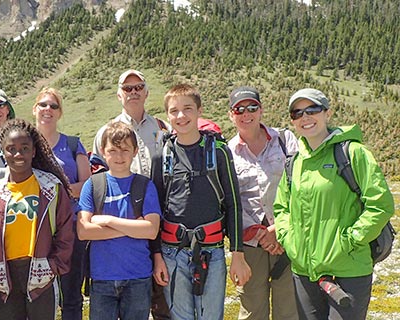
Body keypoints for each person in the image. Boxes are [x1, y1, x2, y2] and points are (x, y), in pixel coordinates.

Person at [273, 88, 394, 320]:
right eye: (297, 113)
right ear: (292, 121)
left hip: (348, 269)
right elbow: (282, 208)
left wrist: (350, 240)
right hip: (305, 271)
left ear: (327, 113)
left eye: (312, 110)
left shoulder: (352, 153)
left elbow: (381, 204)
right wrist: (291, 242)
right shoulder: (295, 162)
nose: (305, 117)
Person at [150, 83, 251, 320]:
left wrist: (237, 254)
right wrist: (156, 256)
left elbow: (233, 204)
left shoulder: (219, 152)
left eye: (187, 109)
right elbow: (154, 211)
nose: (181, 116)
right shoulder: (161, 156)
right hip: (172, 252)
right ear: (167, 116)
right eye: (174, 111)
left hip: (212, 252)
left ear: (199, 111)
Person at [0, 118, 74, 320]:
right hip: (6, 275)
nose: (18, 154)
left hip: (42, 273)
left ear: (34, 151)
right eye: (11, 149)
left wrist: (53, 265)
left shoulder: (50, 187)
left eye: (24, 148)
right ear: (3, 151)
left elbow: (65, 231)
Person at [92, 69, 170, 319]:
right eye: (128, 88)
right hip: (123, 224)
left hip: (160, 218)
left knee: (162, 300)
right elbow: (98, 182)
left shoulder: (163, 128)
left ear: (147, 92)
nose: (133, 92)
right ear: (119, 94)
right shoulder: (106, 132)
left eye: (138, 87)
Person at [226, 86, 298, 320]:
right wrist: (261, 235)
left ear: (261, 110)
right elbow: (229, 199)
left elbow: (300, 185)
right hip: (249, 244)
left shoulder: (285, 140)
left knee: (289, 309)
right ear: (231, 114)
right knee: (252, 310)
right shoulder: (227, 152)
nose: (246, 114)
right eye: (239, 109)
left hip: (287, 237)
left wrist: (278, 229)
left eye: (252, 107)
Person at [77, 121, 162, 320]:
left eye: (125, 150)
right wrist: (133, 227)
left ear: (135, 151)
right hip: (102, 278)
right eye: (112, 150)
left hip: (138, 277)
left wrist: (106, 220)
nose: (119, 156)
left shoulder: (144, 185)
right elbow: (83, 231)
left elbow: (151, 230)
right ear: (102, 151)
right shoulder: (93, 185)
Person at [32, 87, 91, 320]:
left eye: (53, 106)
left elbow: (87, 185)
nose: (48, 109)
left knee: (71, 295)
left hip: (70, 228)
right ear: (35, 109)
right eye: (43, 104)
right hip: (35, 229)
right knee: (36, 294)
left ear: (60, 113)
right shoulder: (25, 146)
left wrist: (55, 192)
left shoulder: (74, 144)